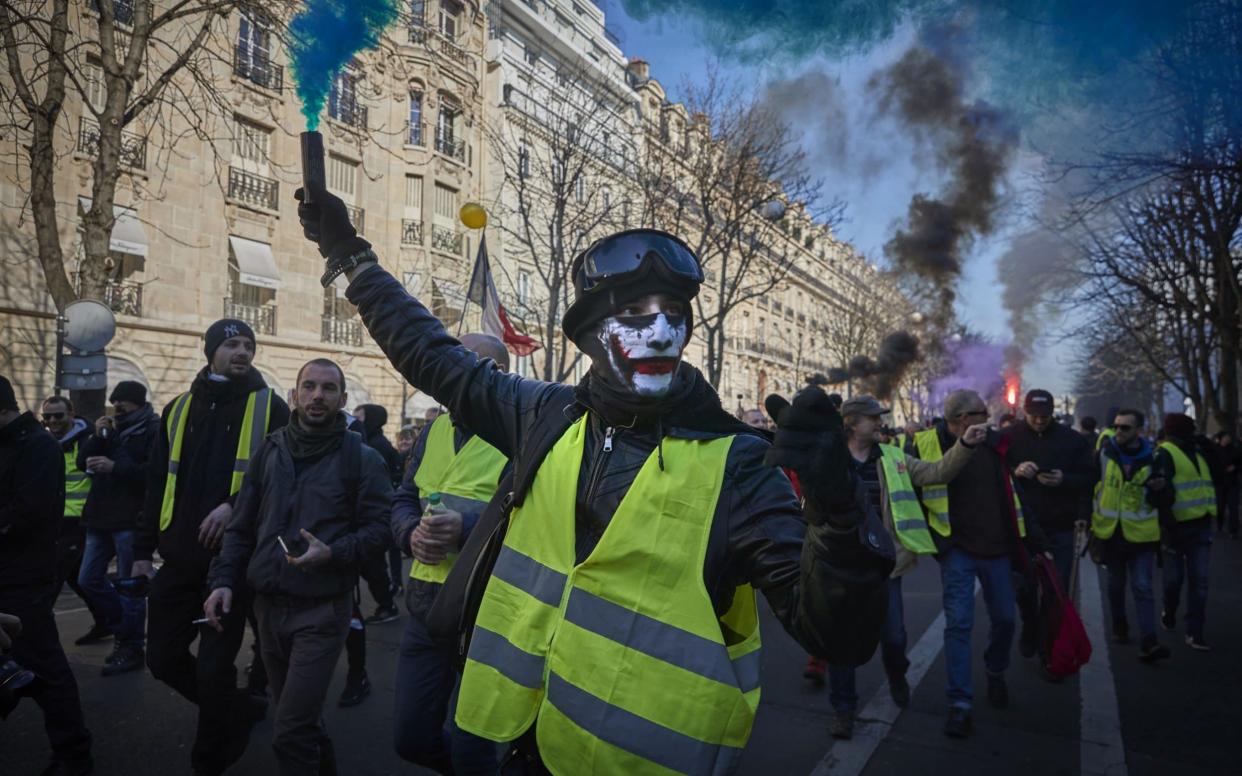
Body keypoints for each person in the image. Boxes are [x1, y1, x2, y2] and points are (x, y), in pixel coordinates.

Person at [295, 187, 892, 773]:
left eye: (674, 315)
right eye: (633, 315)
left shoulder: (738, 464)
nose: (659, 332)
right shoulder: (542, 414)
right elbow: (429, 351)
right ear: (589, 336)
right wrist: (350, 256)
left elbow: (834, 634)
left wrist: (838, 515)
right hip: (513, 738)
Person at [205, 358, 391, 775]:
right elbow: (241, 526)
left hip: (321, 612)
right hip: (267, 609)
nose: (317, 396)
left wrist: (334, 553)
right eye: (309, 387)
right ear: (294, 395)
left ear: (343, 399)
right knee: (304, 722)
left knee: (289, 730)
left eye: (328, 389)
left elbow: (382, 528)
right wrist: (222, 582)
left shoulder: (361, 459)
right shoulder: (269, 451)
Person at [135, 319, 290, 775]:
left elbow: (278, 483)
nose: (242, 352)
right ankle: (235, 712)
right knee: (161, 658)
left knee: (214, 667)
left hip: (232, 562)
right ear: (211, 352)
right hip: (179, 557)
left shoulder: (272, 408)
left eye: (248, 345)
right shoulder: (178, 408)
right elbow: (156, 480)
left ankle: (210, 757)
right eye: (231, 344)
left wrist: (233, 506)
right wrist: (143, 549)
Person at [824, 395, 984, 740]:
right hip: (842, 567)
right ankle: (843, 709)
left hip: (883, 566)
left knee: (893, 636)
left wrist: (965, 445)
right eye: (873, 418)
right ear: (851, 422)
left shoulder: (893, 457)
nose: (881, 422)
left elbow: (935, 472)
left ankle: (897, 673)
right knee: (841, 641)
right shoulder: (830, 460)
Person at [391, 333, 511, 774]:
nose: (449, 375)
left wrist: (466, 526)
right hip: (426, 607)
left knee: (473, 748)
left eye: (464, 364)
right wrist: (408, 535)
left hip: (490, 615)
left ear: (499, 375)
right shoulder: (433, 430)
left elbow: (538, 520)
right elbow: (404, 497)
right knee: (410, 738)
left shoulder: (522, 434)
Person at [909, 390, 1045, 738]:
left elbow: (1014, 492)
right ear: (957, 421)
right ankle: (960, 703)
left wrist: (1034, 539)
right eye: (978, 413)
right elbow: (912, 488)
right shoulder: (925, 443)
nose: (986, 418)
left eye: (986, 412)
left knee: (1004, 618)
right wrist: (933, 541)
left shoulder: (997, 445)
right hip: (957, 549)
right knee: (958, 624)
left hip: (998, 549)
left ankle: (995, 671)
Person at [0, 376, 93, 774]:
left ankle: (73, 754)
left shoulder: (35, 446)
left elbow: (26, 514)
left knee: (45, 667)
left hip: (23, 577)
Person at [75, 381, 159, 675]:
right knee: (87, 579)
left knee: (130, 587)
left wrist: (115, 466)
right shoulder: (109, 429)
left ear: (138, 403)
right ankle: (124, 628)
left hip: (129, 520)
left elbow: (153, 475)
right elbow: (80, 461)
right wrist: (97, 437)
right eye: (115, 402)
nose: (117, 407)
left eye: (123, 402)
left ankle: (131, 646)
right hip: (99, 517)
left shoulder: (153, 428)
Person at [1091, 409, 1170, 660]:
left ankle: (1149, 640)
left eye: (1125, 428)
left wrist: (1160, 489)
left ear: (1139, 430)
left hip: (1142, 535)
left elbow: (1167, 499)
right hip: (1111, 533)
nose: (1119, 432)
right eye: (1116, 427)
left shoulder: (1155, 458)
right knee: (1116, 584)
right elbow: (1089, 485)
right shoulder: (1104, 454)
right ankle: (1120, 625)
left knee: (1143, 586)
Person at [1006, 389, 1095, 588]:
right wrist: (1016, 472)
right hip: (1022, 525)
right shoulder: (1008, 437)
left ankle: (1055, 617)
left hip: (1060, 523)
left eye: (1044, 416)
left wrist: (1065, 480)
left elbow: (1089, 477)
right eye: (1034, 416)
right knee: (1024, 584)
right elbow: (993, 474)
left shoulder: (1073, 440)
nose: (1039, 421)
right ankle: (1031, 619)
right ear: (1024, 412)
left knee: (1058, 583)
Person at [41, 395, 111, 645]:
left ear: (71, 414)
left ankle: (35, 636)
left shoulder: (87, 441)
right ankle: (110, 620)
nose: (52, 421)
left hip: (79, 520)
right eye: (47, 416)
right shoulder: (45, 442)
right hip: (55, 521)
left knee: (51, 577)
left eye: (58, 416)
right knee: (79, 578)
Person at [1152, 413, 1216, 651]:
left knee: (1199, 581)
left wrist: (1208, 446)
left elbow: (1216, 475)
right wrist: (1168, 525)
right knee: (1173, 580)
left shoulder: (1198, 451)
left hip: (1200, 524)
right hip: (1175, 528)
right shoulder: (1165, 453)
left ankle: (1195, 631)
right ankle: (1170, 609)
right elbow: (1160, 493)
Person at [354, 403, 404, 626]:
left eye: (361, 417)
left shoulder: (376, 447)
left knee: (374, 566)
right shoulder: (372, 442)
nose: (357, 421)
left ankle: (387, 603)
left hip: (373, 516)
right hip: (371, 515)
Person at [1214, 429, 1239, 538]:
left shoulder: (1234, 449)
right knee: (1220, 507)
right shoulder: (1215, 450)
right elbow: (1212, 466)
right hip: (1220, 483)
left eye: (1228, 437)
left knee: (1233, 507)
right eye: (1225, 437)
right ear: (1221, 438)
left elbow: (1239, 463)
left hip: (1233, 483)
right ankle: (1219, 525)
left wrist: (1235, 467)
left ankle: (1233, 531)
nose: (1228, 439)